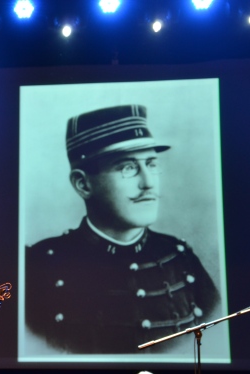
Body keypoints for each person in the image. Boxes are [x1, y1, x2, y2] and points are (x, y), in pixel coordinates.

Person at [25, 105, 221, 354]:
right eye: (127, 167)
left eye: (151, 163)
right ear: (83, 184)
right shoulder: (39, 265)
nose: (148, 183)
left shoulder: (180, 258)